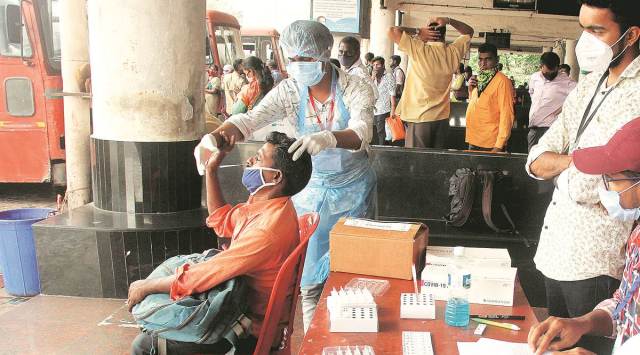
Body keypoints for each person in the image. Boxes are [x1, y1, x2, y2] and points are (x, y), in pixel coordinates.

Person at [207, 20, 377, 332]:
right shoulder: (289, 91)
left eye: (306, 59)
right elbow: (251, 118)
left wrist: (330, 138)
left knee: (350, 276)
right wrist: (216, 136)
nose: (298, 66)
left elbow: (364, 130)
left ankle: (350, 333)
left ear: (324, 55)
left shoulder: (355, 86)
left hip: (352, 191)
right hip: (310, 191)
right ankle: (315, 340)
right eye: (293, 59)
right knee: (309, 278)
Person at [128, 131, 312, 355]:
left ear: (275, 177)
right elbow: (222, 221)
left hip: (246, 329)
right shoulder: (269, 205)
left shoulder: (267, 230)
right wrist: (211, 170)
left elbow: (206, 273)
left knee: (145, 345)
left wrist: (146, 286)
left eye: (258, 157)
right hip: (239, 305)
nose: (250, 161)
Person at [526, 2, 640, 351]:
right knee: (558, 341)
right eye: (582, 28)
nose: (585, 40)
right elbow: (535, 161)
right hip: (556, 247)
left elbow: (609, 182)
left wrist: (570, 165)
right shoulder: (588, 86)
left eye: (597, 30)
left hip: (599, 259)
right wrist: (584, 161)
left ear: (631, 35)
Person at [528, 118, 640, 355]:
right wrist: (582, 323)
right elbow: (624, 308)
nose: (604, 188)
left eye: (610, 179)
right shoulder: (637, 236)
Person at [388, 16, 474, 148]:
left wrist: (418, 31)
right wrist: (449, 20)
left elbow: (392, 31)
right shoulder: (453, 52)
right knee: (436, 163)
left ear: (427, 32)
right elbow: (469, 31)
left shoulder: (418, 49)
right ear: (444, 34)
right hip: (442, 119)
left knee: (417, 163)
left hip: (419, 118)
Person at [465, 43, 515, 152]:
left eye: (488, 59)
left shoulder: (503, 81)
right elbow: (478, 105)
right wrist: (470, 90)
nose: (483, 63)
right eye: (480, 59)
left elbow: (507, 114)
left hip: (490, 143)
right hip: (474, 138)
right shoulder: (479, 79)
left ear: (497, 60)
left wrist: (499, 145)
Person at [527, 52, 577, 151]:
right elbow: (532, 93)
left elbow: (579, 99)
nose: (549, 76)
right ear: (541, 67)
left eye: (552, 72)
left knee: (547, 160)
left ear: (557, 68)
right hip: (533, 128)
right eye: (546, 73)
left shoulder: (568, 82)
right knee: (531, 161)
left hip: (551, 129)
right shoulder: (534, 78)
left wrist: (563, 109)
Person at [371, 56, 397, 145]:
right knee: (375, 132)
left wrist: (393, 110)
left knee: (381, 132)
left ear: (383, 66)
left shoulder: (388, 76)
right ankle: (379, 148)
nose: (375, 67)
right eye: (373, 65)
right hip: (374, 109)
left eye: (377, 65)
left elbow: (392, 94)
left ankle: (381, 150)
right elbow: (368, 90)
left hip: (384, 109)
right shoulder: (373, 78)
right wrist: (372, 78)